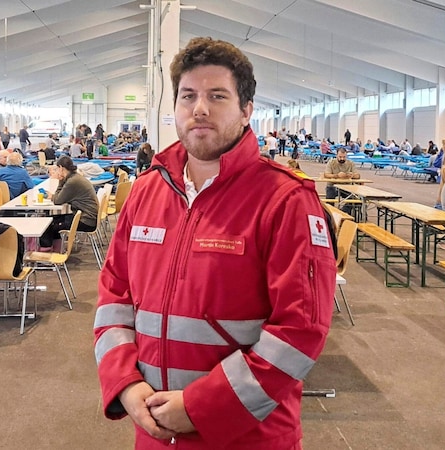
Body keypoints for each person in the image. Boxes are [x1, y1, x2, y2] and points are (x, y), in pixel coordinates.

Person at [94, 37, 335, 450]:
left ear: (246, 111)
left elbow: (299, 332)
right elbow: (114, 297)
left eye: (217, 96)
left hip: (247, 438)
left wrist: (201, 407)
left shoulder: (286, 200)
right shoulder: (146, 191)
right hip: (152, 431)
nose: (199, 108)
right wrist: (125, 384)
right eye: (188, 96)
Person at [39, 156, 99, 247]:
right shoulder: (75, 177)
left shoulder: (72, 182)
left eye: (57, 169)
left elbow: (58, 200)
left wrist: (60, 180)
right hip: (87, 216)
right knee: (51, 219)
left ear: (61, 168)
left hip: (86, 220)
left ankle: (48, 250)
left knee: (49, 225)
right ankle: (54, 248)